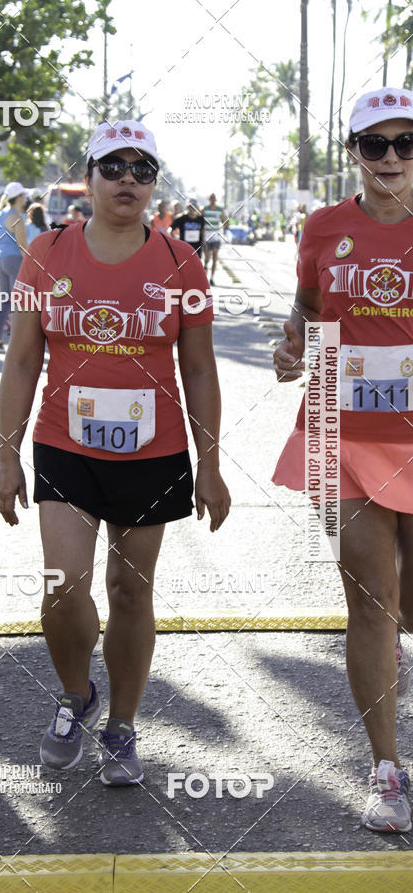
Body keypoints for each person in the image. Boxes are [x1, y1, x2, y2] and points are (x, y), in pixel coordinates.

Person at [0, 119, 230, 786]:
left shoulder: (181, 263)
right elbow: (21, 362)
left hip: (153, 454)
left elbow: (202, 370)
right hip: (65, 444)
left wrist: (209, 464)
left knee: (129, 592)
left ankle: (122, 727)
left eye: (143, 169)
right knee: (63, 586)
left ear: (154, 184)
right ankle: (76, 696)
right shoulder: (44, 252)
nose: (129, 179)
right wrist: (8, 456)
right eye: (114, 166)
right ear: (90, 176)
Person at [272, 87, 413, 833]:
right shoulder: (324, 227)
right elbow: (308, 306)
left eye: (405, 144)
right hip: (343, 432)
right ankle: (386, 770)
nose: (390, 158)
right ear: (352, 152)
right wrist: (292, 345)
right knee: (372, 604)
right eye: (374, 144)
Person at [0, 181, 27, 352]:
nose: (26, 198)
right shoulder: (17, 218)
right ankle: (17, 343)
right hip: (14, 260)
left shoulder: (0, 215)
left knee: (4, 301)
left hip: (1, 259)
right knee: (19, 302)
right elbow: (23, 247)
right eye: (24, 195)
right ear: (19, 197)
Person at [202, 193, 228, 285]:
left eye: (213, 199)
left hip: (216, 237)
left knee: (215, 257)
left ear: (215, 200)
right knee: (207, 257)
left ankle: (212, 278)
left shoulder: (220, 210)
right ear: (209, 200)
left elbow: (224, 221)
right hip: (206, 237)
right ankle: (205, 265)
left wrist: (226, 224)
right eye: (211, 199)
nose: (212, 200)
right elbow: (200, 221)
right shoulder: (205, 209)